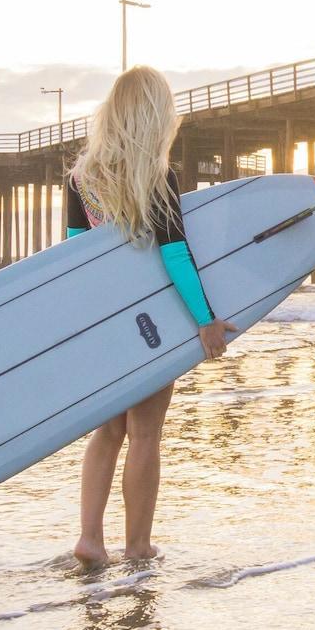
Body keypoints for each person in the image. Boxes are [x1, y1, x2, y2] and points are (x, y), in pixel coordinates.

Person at [63, 66, 238, 568]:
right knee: (145, 434)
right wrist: (205, 320)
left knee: (108, 431)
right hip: (150, 323)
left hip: (104, 322)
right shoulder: (157, 177)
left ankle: (90, 540)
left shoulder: (80, 179)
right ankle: (137, 547)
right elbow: (175, 255)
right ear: (156, 116)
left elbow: (77, 259)